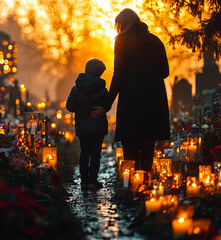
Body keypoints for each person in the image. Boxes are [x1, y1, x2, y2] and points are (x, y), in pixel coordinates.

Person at [89, 8, 170, 171]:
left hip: (131, 99)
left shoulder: (122, 41)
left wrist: (106, 105)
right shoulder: (155, 41)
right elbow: (165, 72)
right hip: (153, 98)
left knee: (130, 146)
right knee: (148, 144)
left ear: (123, 25)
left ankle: (131, 187)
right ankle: (145, 187)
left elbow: (118, 75)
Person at [66, 58, 108, 187]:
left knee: (84, 153)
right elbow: (107, 105)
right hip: (98, 127)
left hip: (83, 127)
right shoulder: (103, 90)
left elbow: (70, 107)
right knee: (96, 154)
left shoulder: (76, 89)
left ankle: (84, 181)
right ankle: (93, 180)